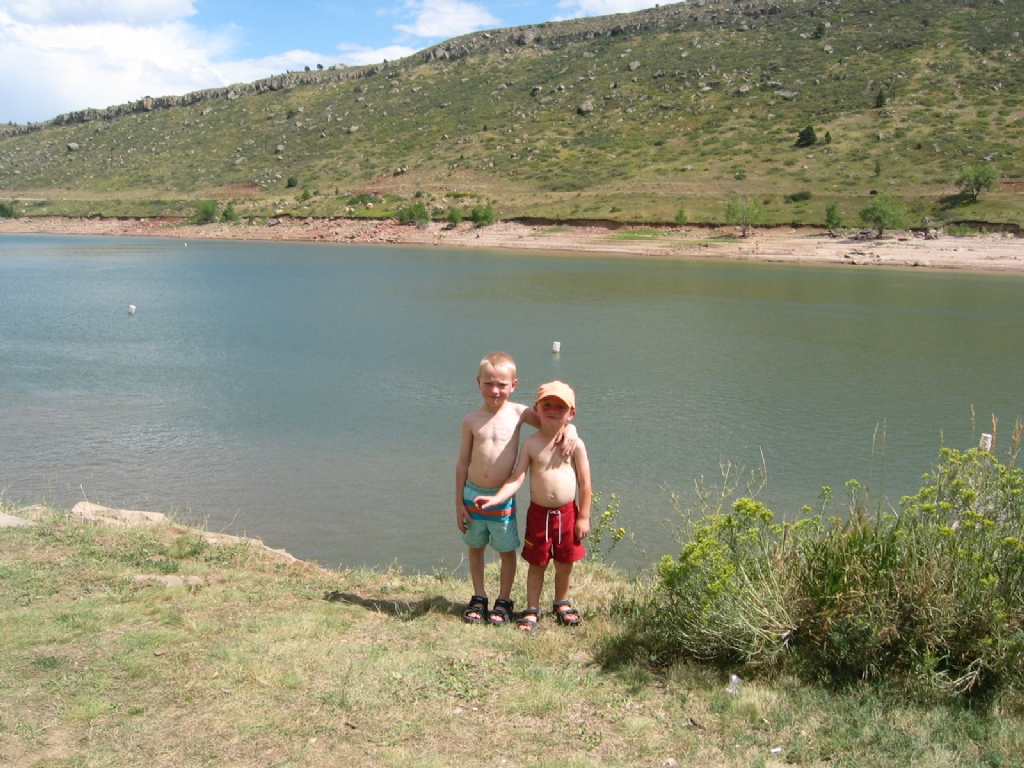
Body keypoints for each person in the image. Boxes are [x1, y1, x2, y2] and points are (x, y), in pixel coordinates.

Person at [456, 353, 576, 626]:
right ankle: (479, 596)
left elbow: (552, 422)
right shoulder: (470, 420)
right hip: (472, 494)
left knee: (506, 549)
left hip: (503, 496)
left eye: (501, 384)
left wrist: (571, 431)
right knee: (476, 547)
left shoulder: (520, 413)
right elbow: (462, 463)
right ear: (478, 383)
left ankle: (504, 600)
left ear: (514, 385)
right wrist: (458, 502)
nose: (495, 390)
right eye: (488, 383)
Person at [473, 380, 591, 632]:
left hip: (568, 513)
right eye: (547, 404)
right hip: (539, 514)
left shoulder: (575, 444)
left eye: (561, 407)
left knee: (564, 563)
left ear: (571, 413)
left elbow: (585, 482)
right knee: (536, 563)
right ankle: (532, 608)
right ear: (536, 409)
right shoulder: (531, 444)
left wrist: (584, 517)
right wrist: (496, 498)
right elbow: (516, 477)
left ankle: (561, 602)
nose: (553, 410)